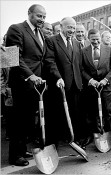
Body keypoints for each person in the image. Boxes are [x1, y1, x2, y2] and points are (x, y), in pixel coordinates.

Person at [5, 4, 46, 166]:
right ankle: (15, 156)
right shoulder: (15, 29)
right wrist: (31, 75)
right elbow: (13, 58)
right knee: (19, 121)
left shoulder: (40, 33)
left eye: (44, 16)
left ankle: (22, 150)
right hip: (22, 83)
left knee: (29, 120)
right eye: (39, 16)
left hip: (36, 85)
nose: (42, 19)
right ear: (29, 14)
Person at [44, 17, 84, 146]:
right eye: (69, 27)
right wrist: (58, 77)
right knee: (57, 113)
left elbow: (79, 64)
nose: (72, 30)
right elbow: (50, 61)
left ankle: (72, 137)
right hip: (60, 84)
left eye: (73, 27)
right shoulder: (51, 41)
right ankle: (54, 141)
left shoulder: (77, 43)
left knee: (74, 112)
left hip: (75, 84)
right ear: (61, 27)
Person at [81, 29, 111, 149]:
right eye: (93, 39)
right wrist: (91, 80)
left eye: (98, 39)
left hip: (106, 87)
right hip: (92, 87)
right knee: (92, 113)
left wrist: (105, 80)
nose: (96, 41)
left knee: (108, 112)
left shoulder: (108, 49)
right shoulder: (84, 51)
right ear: (89, 39)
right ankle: (91, 136)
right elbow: (81, 69)